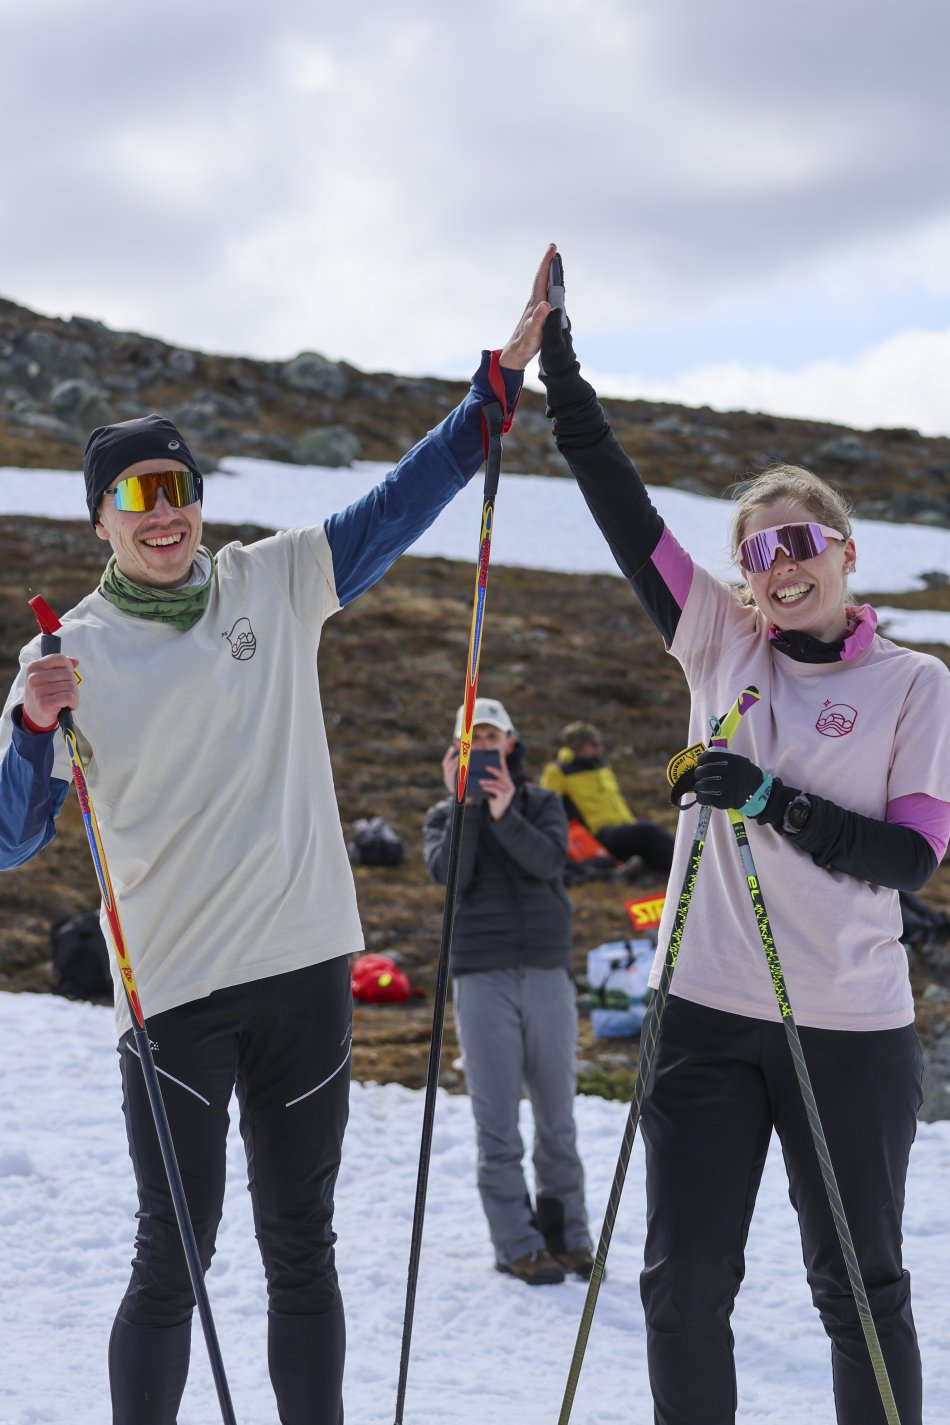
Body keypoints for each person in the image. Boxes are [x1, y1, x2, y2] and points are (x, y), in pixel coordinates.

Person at [0, 248, 557, 1425]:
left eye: (182, 489)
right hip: (177, 993)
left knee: (302, 1247)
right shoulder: (67, 660)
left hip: (305, 968)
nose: (170, 514)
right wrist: (28, 731)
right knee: (175, 1257)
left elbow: (399, 501)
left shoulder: (273, 580)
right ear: (100, 516)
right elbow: (13, 838)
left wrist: (493, 386)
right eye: (141, 496)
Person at [536, 268, 950, 1424]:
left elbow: (908, 862)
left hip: (849, 1025)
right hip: (704, 1010)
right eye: (758, 554)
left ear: (846, 551)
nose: (780, 565)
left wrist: (769, 800)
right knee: (682, 1289)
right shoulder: (720, 644)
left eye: (800, 541)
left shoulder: (915, 685)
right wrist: (560, 374)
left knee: (858, 1290)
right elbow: (618, 505)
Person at [422, 696, 594, 1286]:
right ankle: (516, 1244)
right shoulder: (443, 816)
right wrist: (467, 808)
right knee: (497, 1123)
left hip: (546, 971)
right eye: (474, 739)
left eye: (493, 737)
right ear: (458, 751)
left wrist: (505, 811)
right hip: (480, 975)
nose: (486, 747)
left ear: (511, 743)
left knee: (557, 1118)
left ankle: (568, 1237)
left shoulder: (544, 802)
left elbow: (550, 862)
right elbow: (451, 876)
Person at [540, 719, 674, 875]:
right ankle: (685, 873)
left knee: (653, 840)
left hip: (622, 826)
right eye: (594, 744)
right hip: (597, 834)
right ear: (578, 746)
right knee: (647, 831)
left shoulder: (601, 765)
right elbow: (545, 804)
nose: (600, 748)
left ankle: (675, 876)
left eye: (600, 743)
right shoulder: (558, 770)